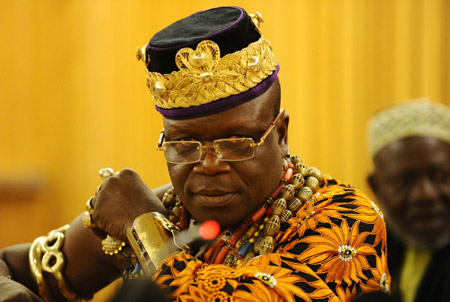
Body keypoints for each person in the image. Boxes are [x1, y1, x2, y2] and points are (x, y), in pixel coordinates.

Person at [0, 6, 390, 302]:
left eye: (236, 141)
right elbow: (12, 267)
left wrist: (146, 231)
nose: (209, 164)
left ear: (281, 134)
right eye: (184, 144)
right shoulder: (165, 208)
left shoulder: (346, 221)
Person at [367, 99, 450, 302]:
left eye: (442, 177)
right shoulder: (368, 254)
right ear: (376, 187)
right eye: (403, 182)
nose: (425, 195)